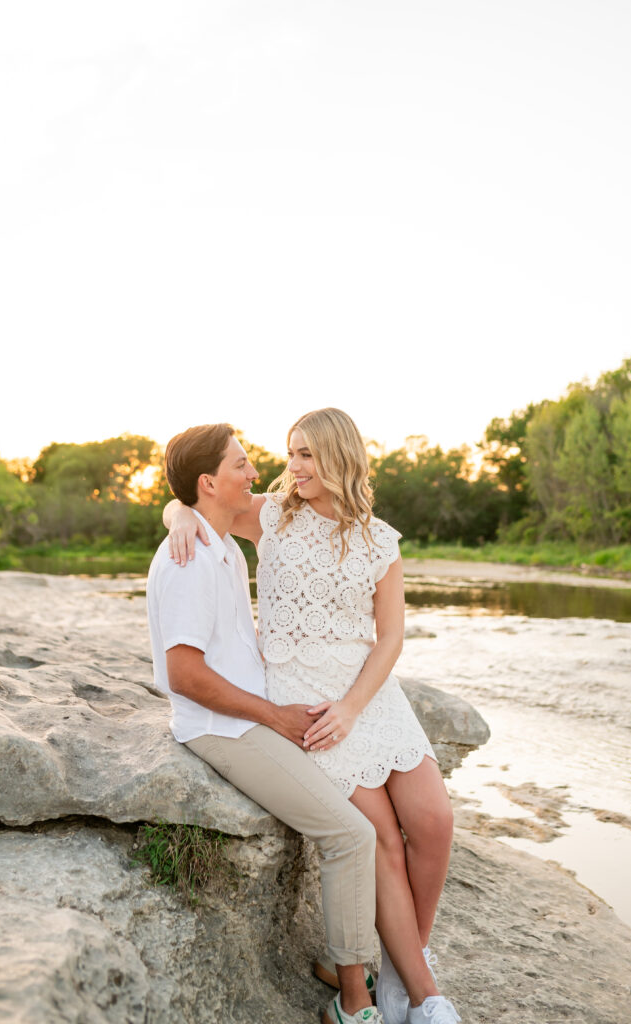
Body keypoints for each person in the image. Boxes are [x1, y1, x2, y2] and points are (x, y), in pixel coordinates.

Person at [166, 409, 460, 1024]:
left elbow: (390, 639)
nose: (291, 467)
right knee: (378, 835)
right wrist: (175, 517)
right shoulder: (272, 517)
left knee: (432, 821)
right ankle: (424, 995)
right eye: (290, 453)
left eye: (305, 455)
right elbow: (195, 499)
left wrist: (355, 706)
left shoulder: (381, 539)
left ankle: (404, 970)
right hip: (304, 695)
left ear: (339, 458)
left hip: (365, 694)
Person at [147, 422, 382, 1024]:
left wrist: (180, 511)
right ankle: (351, 1003)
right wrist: (273, 716)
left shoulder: (219, 544)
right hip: (222, 729)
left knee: (373, 812)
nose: (256, 476)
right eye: (241, 465)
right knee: (351, 835)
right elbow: (184, 675)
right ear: (210, 482)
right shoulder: (192, 558)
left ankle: (342, 962)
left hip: (249, 717)